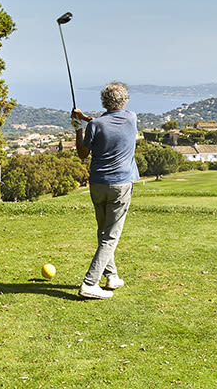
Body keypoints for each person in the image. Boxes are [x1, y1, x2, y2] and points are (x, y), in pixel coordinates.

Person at [72, 82, 139, 300]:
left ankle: (111, 276)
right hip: (121, 185)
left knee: (103, 234)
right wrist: (84, 119)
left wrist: (78, 126)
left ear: (103, 101)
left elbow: (83, 153)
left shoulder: (96, 126)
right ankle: (90, 283)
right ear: (125, 100)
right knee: (110, 237)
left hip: (98, 184)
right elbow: (109, 123)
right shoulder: (131, 118)